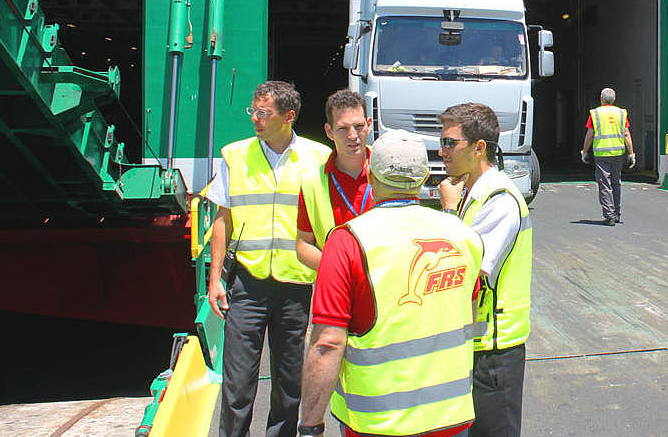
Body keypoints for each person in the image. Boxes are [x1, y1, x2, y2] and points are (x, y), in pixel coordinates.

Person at [299, 129, 484, 437]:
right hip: (451, 417)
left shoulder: (349, 241)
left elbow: (327, 343)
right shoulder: (463, 236)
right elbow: (468, 316)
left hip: (377, 423)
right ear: (425, 178)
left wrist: (310, 425)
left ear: (369, 177)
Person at [206, 81, 332, 437]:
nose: (255, 119)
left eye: (264, 113)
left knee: (290, 385)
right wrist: (216, 279)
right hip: (248, 283)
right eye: (253, 111)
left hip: (298, 285)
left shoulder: (319, 158)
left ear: (288, 117)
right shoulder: (234, 155)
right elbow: (222, 219)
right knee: (238, 384)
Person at [437, 103, 532, 437]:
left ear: (479, 148)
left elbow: (467, 272)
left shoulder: (500, 200)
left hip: (494, 350)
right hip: (473, 344)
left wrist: (448, 212)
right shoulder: (472, 193)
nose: (441, 150)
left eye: (450, 143)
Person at [295, 89, 374, 271]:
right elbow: (303, 245)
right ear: (329, 131)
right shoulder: (311, 182)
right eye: (342, 129)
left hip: (382, 284)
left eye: (359, 126)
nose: (353, 135)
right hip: (337, 287)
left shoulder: (387, 171)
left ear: (369, 124)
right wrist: (338, 271)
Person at [580, 87, 636, 226]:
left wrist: (585, 151)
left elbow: (590, 134)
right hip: (618, 153)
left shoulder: (596, 113)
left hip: (602, 154)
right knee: (616, 182)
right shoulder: (621, 113)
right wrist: (631, 153)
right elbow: (626, 133)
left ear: (601, 98)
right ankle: (617, 213)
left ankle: (609, 215)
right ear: (614, 99)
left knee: (604, 183)